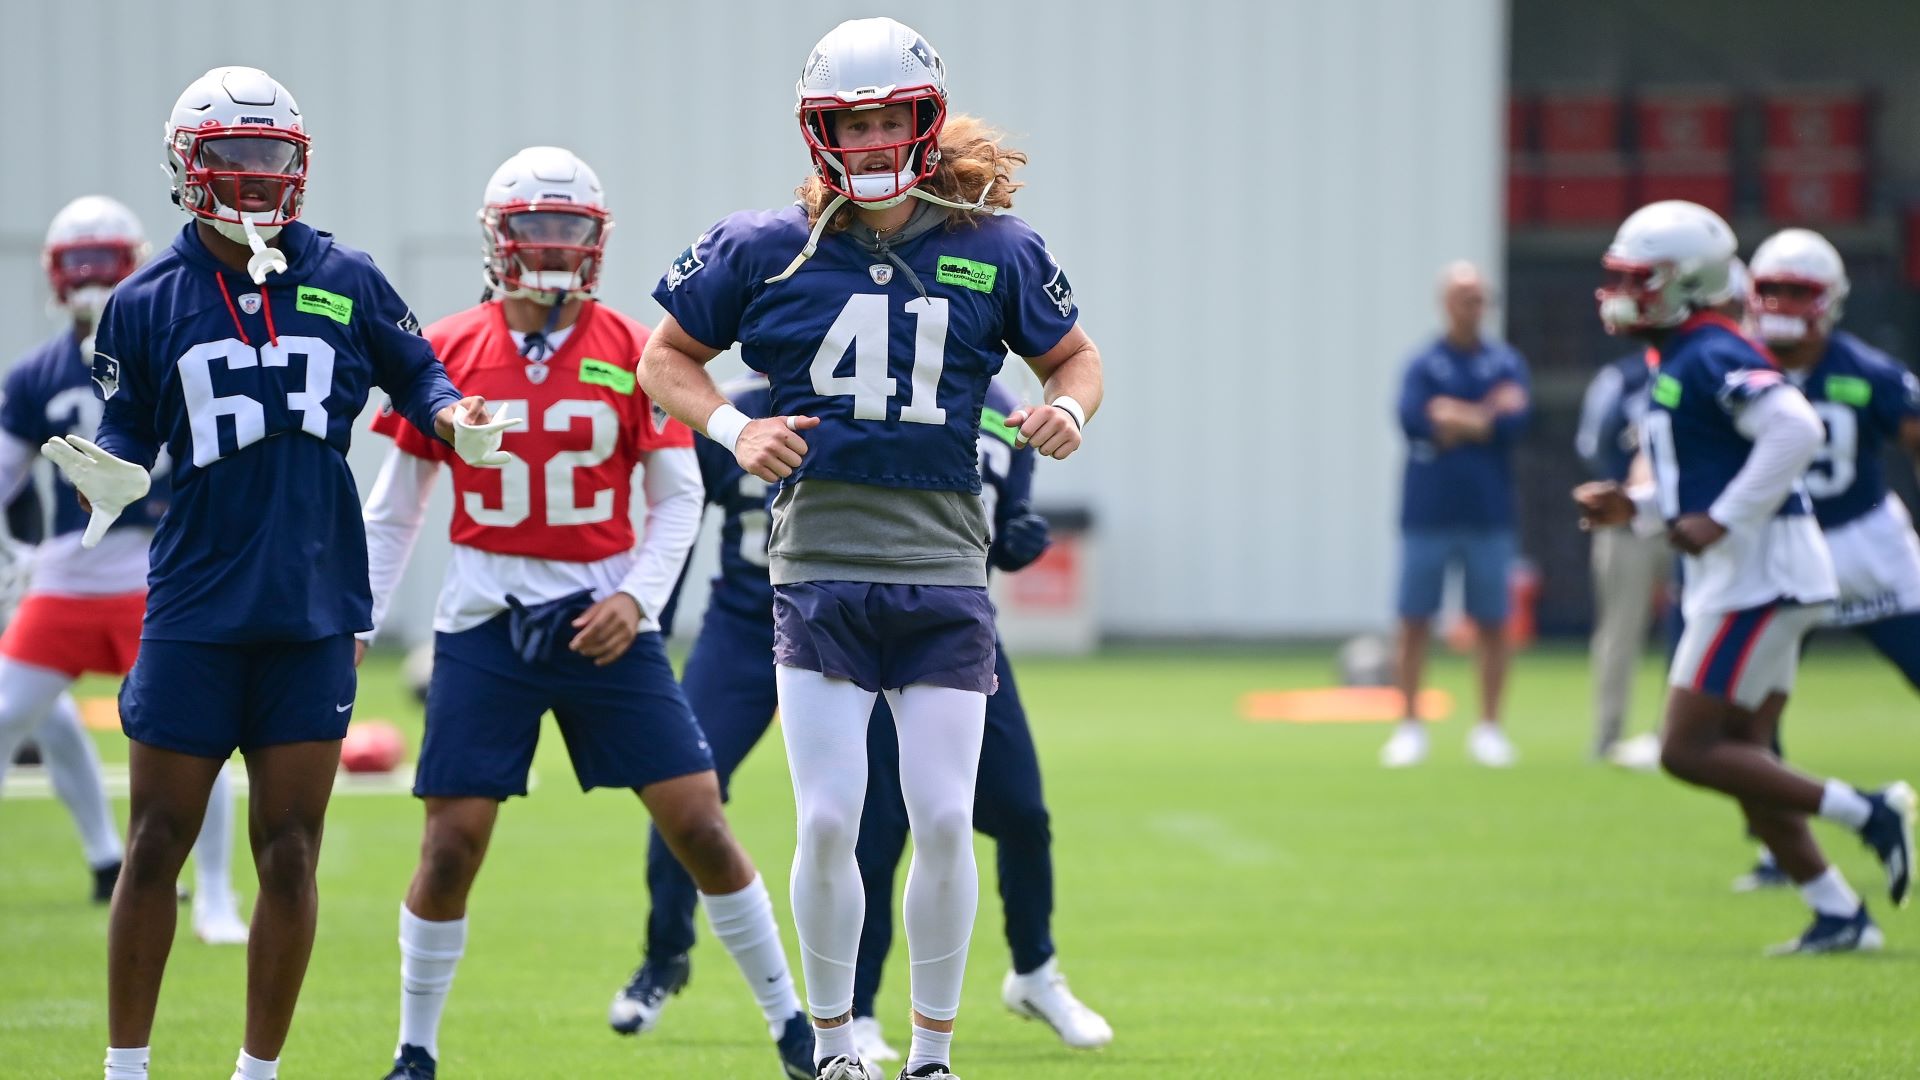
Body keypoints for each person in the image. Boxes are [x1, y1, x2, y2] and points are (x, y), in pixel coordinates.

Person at [638, 17, 1103, 1080]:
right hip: (815, 568)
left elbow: (1075, 360)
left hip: (943, 566)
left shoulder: (998, 248)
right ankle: (840, 1042)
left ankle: (932, 1054)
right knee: (831, 819)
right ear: (819, 129)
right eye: (854, 118)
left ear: (927, 121)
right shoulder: (764, 245)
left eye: (892, 115)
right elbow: (665, 358)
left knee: (944, 819)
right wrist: (734, 427)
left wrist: (1069, 413)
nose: (875, 135)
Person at [41, 67, 510, 1080]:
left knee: (289, 847)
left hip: (310, 603)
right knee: (157, 840)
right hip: (197, 603)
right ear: (187, 166)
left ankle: (258, 1073)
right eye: (233, 160)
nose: (254, 181)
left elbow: (418, 369)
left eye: (270, 160)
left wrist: (452, 416)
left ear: (298, 166)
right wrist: (106, 483)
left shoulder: (345, 275)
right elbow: (124, 435)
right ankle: (127, 1069)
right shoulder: (146, 302)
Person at [360, 146, 812, 1080]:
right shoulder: (444, 347)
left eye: (572, 227)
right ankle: (414, 1046)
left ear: (597, 238)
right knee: (450, 846)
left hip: (606, 617)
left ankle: (790, 1025)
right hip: (485, 623)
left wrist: (634, 599)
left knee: (699, 820)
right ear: (498, 236)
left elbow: (679, 496)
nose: (555, 245)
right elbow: (395, 508)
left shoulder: (630, 346)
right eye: (536, 227)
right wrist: (357, 626)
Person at [619, 375, 1110, 1064]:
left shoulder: (993, 408)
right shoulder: (752, 402)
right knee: (692, 789)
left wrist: (1015, 534)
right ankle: (670, 956)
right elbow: (680, 508)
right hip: (754, 614)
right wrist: (650, 616)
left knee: (988, 812)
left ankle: (1018, 978)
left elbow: (993, 513)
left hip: (927, 613)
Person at [1572, 200, 1914, 954]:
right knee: (1746, 765)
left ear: (1686, 283)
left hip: (1760, 577)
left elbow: (1797, 426)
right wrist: (1633, 504)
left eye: (1639, 277)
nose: (1620, 290)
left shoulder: (1710, 351)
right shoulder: (1681, 354)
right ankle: (1839, 914)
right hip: (1758, 573)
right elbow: (1702, 471)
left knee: (1685, 751)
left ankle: (1868, 811)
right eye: (1619, 276)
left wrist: (1722, 517)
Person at [0, 196, 248, 938]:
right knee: (8, 714)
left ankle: (213, 893)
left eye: (103, 264)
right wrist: (16, 556)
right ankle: (132, 865)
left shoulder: (178, 342)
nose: (91, 282)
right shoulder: (39, 373)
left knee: (198, 734)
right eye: (79, 267)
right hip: (71, 578)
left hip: (164, 576)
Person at [1726, 228, 1920, 891]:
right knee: (1750, 713)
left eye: (1796, 291)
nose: (1780, 303)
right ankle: (1782, 845)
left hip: (1867, 545)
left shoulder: (1863, 370)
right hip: (1781, 551)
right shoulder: (1734, 368)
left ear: (1829, 301)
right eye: (1770, 289)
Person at [1573, 262, 1749, 770]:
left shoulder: (1706, 366)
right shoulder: (1622, 379)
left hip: (1691, 523)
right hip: (1631, 524)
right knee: (1620, 629)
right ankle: (1608, 735)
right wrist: (1627, 485)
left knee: (1693, 623)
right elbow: (1593, 443)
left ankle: (1675, 732)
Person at [1381, 261, 1531, 769]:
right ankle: (1409, 727)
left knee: (1492, 622)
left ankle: (1489, 728)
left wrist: (1460, 417)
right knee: (1414, 620)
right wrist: (1486, 415)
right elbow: (1415, 421)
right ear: (1446, 303)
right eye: (1464, 297)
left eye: (1480, 298)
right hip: (1428, 511)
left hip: (1489, 513)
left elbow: (1517, 423)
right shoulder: (1423, 364)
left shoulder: (1505, 363)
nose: (1474, 307)